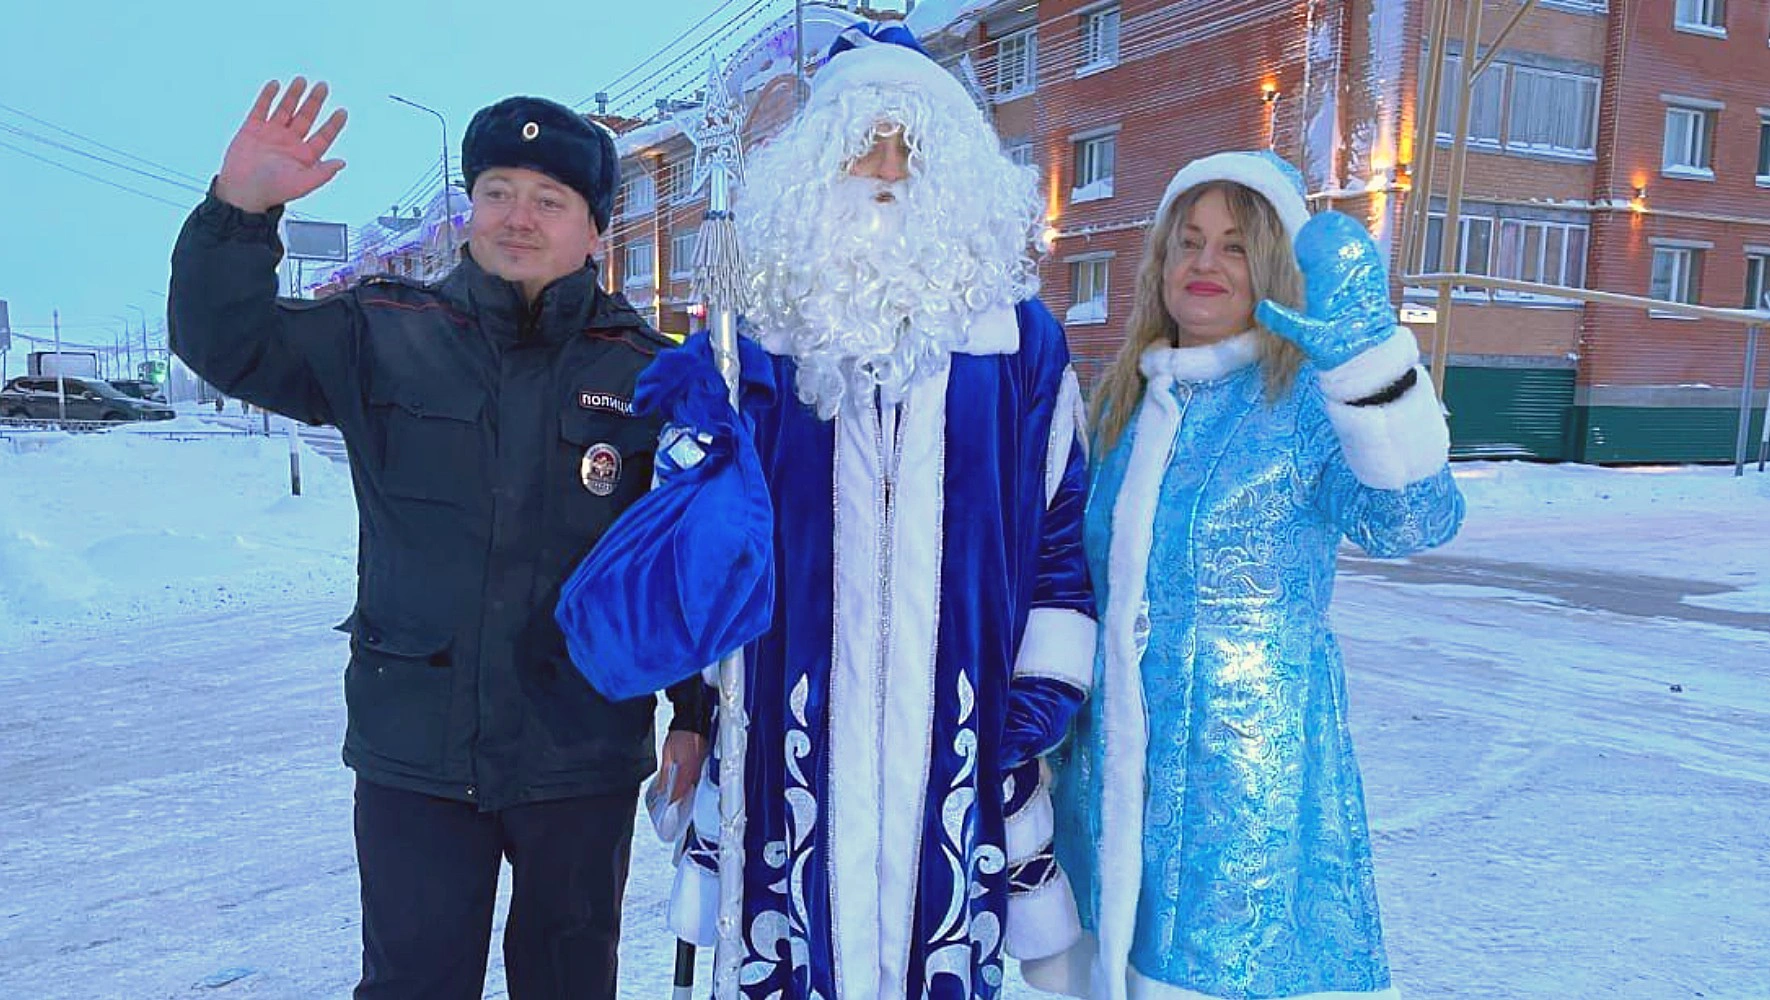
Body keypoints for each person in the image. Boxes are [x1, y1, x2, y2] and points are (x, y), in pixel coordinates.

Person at [576, 21, 1099, 999]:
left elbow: (1059, 536)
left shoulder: (1022, 345)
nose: (889, 168)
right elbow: (705, 549)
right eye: (866, 141)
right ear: (819, 164)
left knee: (938, 955)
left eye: (913, 145)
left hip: (961, 728)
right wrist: (699, 440)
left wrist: (1037, 700)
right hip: (790, 726)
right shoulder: (763, 339)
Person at [167, 80, 708, 1000]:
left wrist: (695, 716)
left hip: (580, 750)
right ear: (470, 209)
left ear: (594, 229)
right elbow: (227, 341)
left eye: (550, 200)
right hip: (416, 749)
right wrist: (239, 211)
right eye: (497, 191)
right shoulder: (383, 331)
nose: (518, 218)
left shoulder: (652, 374)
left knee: (571, 983)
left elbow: (687, 564)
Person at [1023, 150, 1466, 1000]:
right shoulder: (1118, 406)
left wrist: (1371, 372)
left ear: (1268, 265)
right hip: (1112, 777)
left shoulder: (1302, 400)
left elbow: (1415, 520)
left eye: (1233, 246)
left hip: (1252, 788)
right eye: (1188, 242)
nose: (1204, 264)